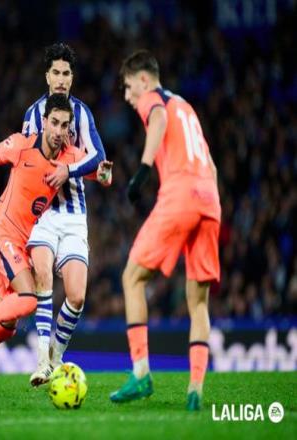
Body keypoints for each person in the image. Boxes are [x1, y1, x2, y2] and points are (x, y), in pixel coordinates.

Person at [0, 93, 104, 395]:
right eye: (54, 123)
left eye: (64, 125)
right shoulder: (21, 144)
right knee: (29, 300)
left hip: (21, 245)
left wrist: (102, 172)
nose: (58, 131)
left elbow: (98, 170)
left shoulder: (68, 157)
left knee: (7, 329)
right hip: (2, 236)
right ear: (44, 122)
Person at [110, 50, 220, 411]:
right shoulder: (186, 106)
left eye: (129, 87)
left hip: (181, 193)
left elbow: (156, 117)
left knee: (132, 277)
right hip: (210, 199)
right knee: (198, 301)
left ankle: (141, 371)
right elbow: (212, 166)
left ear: (144, 80)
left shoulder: (153, 99)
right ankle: (195, 390)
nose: (128, 96)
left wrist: (143, 171)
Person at [22, 43, 112, 386]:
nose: (61, 79)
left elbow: (98, 156)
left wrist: (73, 171)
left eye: (66, 73)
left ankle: (56, 354)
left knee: (76, 296)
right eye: (56, 73)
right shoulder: (33, 116)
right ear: (47, 76)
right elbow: (25, 162)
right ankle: (42, 361)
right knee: (43, 275)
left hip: (74, 214)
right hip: (42, 213)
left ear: (72, 78)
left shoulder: (82, 114)